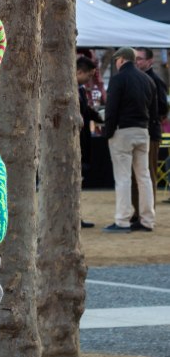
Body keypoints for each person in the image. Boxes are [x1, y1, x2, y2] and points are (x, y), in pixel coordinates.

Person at [103, 47, 156, 232]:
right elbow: (154, 111)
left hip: (122, 132)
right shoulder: (148, 79)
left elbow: (111, 109)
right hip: (143, 131)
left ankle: (122, 220)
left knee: (123, 178)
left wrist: (108, 133)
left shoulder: (118, 79)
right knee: (144, 177)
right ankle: (147, 220)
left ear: (121, 60)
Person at [133, 47, 167, 209]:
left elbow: (162, 109)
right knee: (139, 173)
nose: (136, 62)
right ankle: (141, 208)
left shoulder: (155, 80)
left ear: (149, 61)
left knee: (149, 172)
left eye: (140, 58)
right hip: (140, 132)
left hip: (151, 133)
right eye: (135, 58)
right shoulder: (139, 78)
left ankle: (148, 209)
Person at [76, 55, 103, 228]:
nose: (90, 80)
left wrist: (96, 115)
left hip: (82, 142)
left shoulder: (79, 90)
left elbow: (85, 111)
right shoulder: (72, 89)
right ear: (79, 71)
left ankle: (76, 216)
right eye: (89, 75)